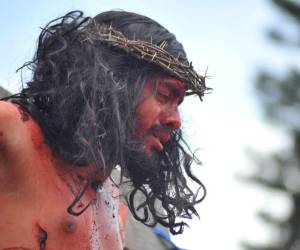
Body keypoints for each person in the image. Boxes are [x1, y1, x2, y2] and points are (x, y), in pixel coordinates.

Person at [0, 10, 208, 250]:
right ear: (114, 82)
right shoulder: (13, 133)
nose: (176, 121)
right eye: (164, 95)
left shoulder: (113, 205)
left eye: (178, 104)